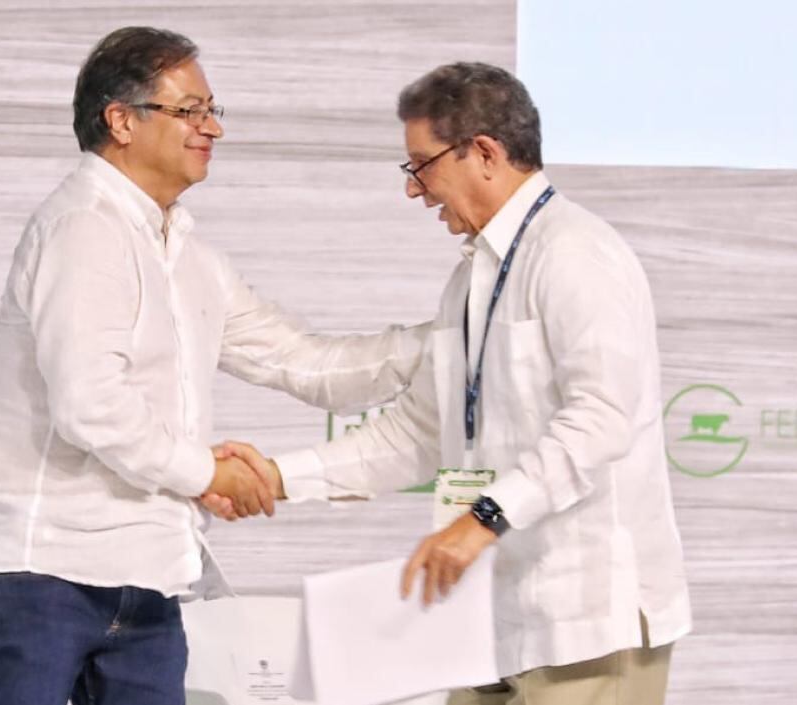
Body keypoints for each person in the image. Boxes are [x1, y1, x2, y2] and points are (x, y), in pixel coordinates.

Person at [0, 27, 428, 705]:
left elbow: (305, 362)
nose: (213, 128)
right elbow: (91, 405)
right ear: (121, 121)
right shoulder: (82, 227)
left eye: (212, 110)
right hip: (43, 577)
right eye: (190, 111)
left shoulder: (191, 257)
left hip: (151, 584)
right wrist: (208, 473)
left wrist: (452, 339)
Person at [224, 62, 692, 705]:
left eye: (422, 165)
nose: (413, 189)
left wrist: (482, 519)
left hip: (584, 623)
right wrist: (278, 477)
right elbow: (418, 434)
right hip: (489, 620)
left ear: (485, 153)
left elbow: (600, 420)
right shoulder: (471, 280)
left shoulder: (576, 254)